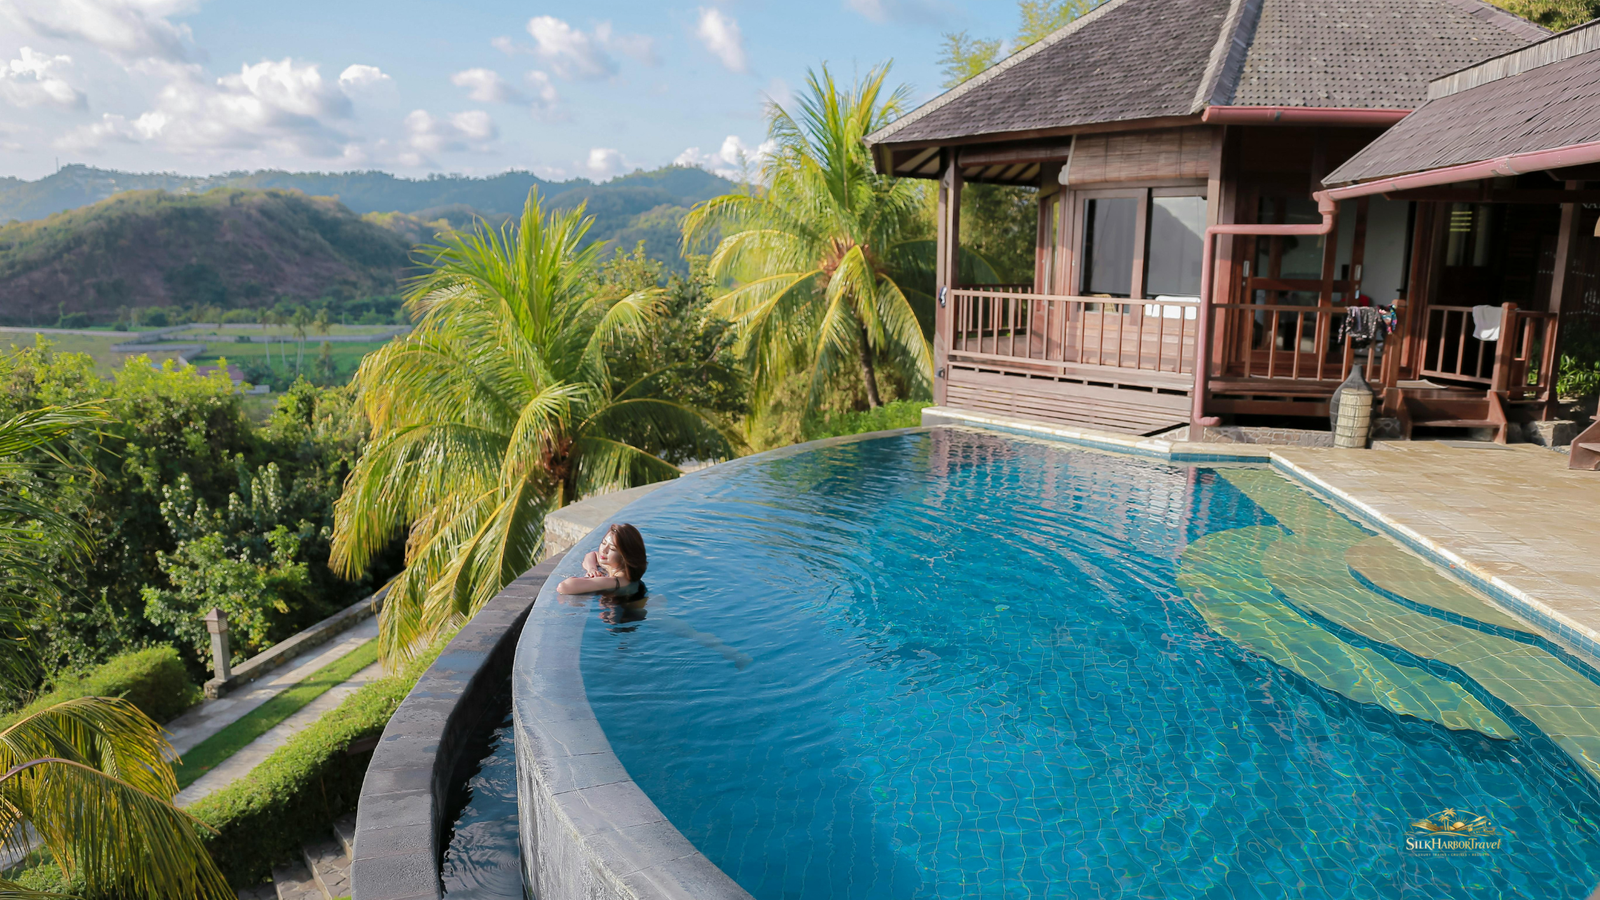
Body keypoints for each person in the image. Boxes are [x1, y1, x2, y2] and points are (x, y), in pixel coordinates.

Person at [557, 523, 647, 595]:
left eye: (612, 549)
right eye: (603, 543)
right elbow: (592, 555)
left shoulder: (614, 582)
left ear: (625, 556)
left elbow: (563, 587)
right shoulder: (617, 569)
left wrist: (587, 579)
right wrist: (592, 569)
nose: (603, 550)